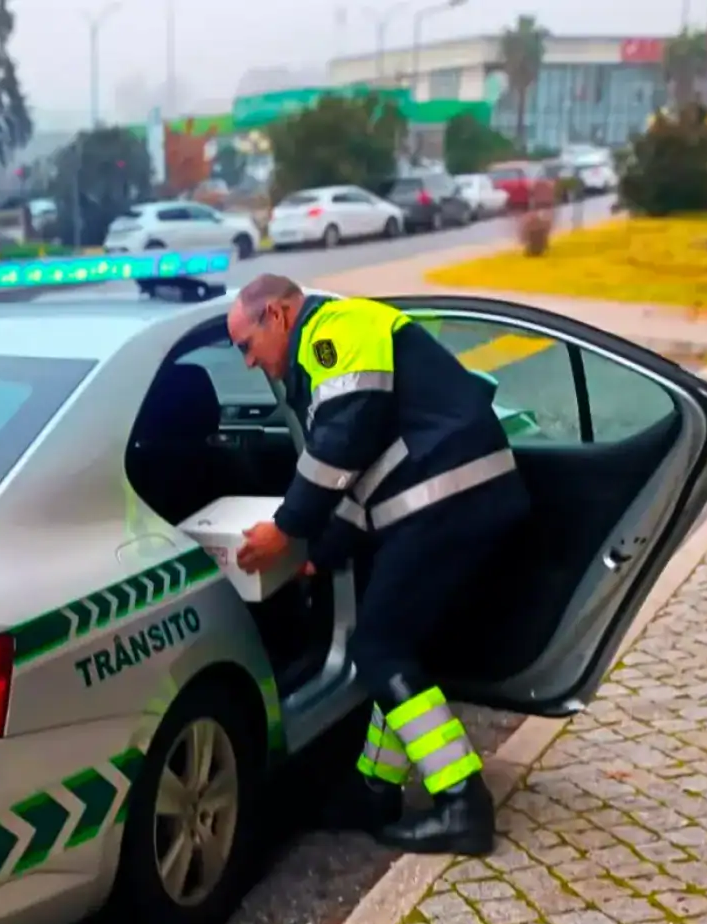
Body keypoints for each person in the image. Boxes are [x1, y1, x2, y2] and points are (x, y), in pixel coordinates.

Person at [228, 273, 531, 856]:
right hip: (452, 501)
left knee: (379, 649)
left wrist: (286, 528)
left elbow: (343, 440)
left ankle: (462, 802)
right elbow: (365, 468)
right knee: (394, 650)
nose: (247, 362)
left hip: (447, 501)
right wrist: (320, 554)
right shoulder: (334, 350)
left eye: (247, 343)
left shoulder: (332, 332)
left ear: (280, 314)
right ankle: (375, 789)